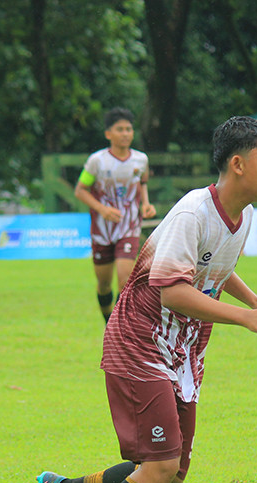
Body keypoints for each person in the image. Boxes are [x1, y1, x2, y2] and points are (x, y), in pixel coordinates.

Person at [35, 116, 257, 483]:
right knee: (158, 468)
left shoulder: (242, 215)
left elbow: (215, 265)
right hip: (139, 344)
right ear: (238, 164)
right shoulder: (193, 211)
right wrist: (245, 318)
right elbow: (172, 291)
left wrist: (256, 300)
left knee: (169, 476)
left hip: (181, 351)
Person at [74, 107, 157, 322]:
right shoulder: (96, 161)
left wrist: (146, 203)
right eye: (119, 129)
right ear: (108, 134)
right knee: (103, 284)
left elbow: (143, 182)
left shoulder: (141, 160)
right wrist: (102, 210)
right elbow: (80, 190)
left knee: (124, 282)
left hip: (128, 227)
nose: (125, 133)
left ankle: (117, 327)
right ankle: (107, 323)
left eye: (129, 129)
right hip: (102, 230)